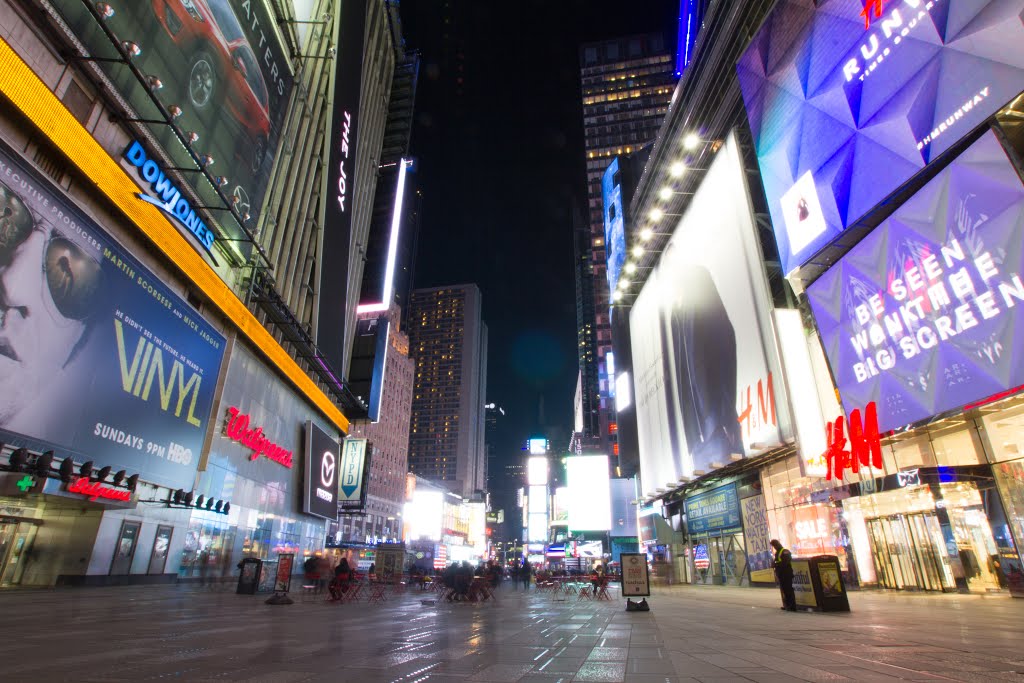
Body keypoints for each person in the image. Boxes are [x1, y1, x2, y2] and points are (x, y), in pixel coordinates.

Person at [771, 539, 796, 611]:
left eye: (774, 545)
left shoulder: (785, 551)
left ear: (777, 544)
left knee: (788, 589)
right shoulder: (777, 552)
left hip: (786, 574)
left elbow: (785, 562)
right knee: (784, 590)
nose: (774, 547)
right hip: (781, 574)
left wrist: (776, 565)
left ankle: (792, 606)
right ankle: (787, 605)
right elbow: (778, 561)